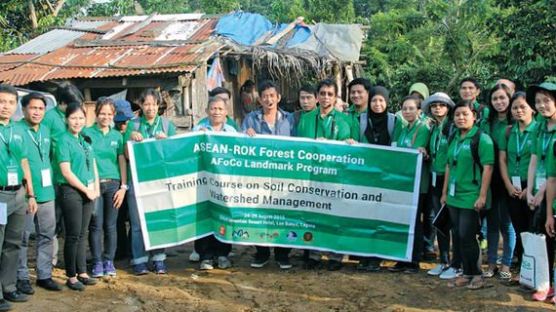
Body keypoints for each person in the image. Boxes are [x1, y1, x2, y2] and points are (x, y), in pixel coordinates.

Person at [297, 79, 352, 271]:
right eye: (322, 93)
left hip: (335, 178)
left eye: (330, 94)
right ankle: (314, 253)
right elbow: (299, 149)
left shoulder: (345, 120)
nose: (326, 97)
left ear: (335, 96)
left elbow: (348, 154)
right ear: (317, 96)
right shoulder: (306, 119)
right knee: (314, 214)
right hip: (312, 177)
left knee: (335, 216)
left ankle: (336, 255)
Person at [441, 100, 494, 289]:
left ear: (474, 116)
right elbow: (449, 165)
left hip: (472, 195)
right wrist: (444, 192)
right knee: (459, 235)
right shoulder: (454, 137)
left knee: (467, 235)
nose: (461, 118)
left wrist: (482, 196)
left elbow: (488, 168)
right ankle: (466, 272)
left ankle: (477, 274)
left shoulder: (482, 139)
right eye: (457, 115)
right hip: (454, 196)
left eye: (465, 114)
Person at [242, 80, 294, 270]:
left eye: (272, 96)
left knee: (283, 214)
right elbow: (240, 146)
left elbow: (299, 147)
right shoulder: (250, 120)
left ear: (278, 97)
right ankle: (262, 253)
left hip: (284, 177)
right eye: (265, 96)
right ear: (260, 99)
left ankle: (282, 254)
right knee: (260, 213)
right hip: (259, 177)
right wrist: (245, 136)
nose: (269, 99)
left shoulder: (289, 119)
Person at [125, 88, 177, 275]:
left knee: (158, 220)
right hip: (137, 182)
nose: (149, 108)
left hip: (160, 183)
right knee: (138, 224)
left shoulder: (166, 126)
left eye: (153, 104)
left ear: (158, 105)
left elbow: (175, 155)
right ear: (140, 105)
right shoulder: (133, 125)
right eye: (146, 104)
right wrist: (131, 139)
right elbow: (125, 155)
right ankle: (139, 260)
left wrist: (166, 143)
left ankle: (159, 258)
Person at [16, 93, 62, 296]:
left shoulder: (45, 130)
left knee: (47, 235)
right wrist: (30, 193)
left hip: (47, 193)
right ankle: (21, 277)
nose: (37, 112)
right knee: (22, 238)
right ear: (24, 109)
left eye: (41, 108)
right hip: (25, 195)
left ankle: (44, 275)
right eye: (33, 108)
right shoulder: (16, 130)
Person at [0, 84, 38, 310]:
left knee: (13, 243)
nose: (5, 106)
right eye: (2, 101)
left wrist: (30, 193)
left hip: (18, 194)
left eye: (10, 103)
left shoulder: (18, 130)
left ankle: (9, 287)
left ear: (16, 107)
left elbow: (24, 162)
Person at [354, 85, 398, 272]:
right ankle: (363, 255)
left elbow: (398, 146)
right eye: (374, 100)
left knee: (381, 216)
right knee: (364, 216)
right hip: (365, 178)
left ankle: (377, 256)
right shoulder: (361, 120)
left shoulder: (394, 121)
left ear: (387, 102)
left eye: (381, 100)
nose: (377, 104)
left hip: (385, 178)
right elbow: (355, 141)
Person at [56, 102, 100, 291]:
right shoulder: (63, 140)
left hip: (88, 192)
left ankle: (82, 272)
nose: (77, 121)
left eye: (81, 118)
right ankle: (71, 275)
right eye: (73, 118)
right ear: (67, 120)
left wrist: (96, 187)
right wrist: (86, 189)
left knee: (83, 234)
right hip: (71, 192)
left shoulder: (84, 140)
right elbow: (66, 172)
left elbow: (94, 165)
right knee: (73, 235)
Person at [84, 98, 127, 278]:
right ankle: (96, 262)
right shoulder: (86, 133)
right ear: (96, 113)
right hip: (94, 185)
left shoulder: (117, 135)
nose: (105, 117)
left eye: (109, 114)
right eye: (102, 113)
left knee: (111, 225)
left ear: (114, 115)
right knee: (95, 225)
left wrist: (123, 187)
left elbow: (121, 160)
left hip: (113, 185)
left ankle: (108, 260)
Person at [389, 95, 431, 274]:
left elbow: (417, 153)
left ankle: (414, 260)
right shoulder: (404, 128)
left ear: (419, 111)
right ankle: (403, 258)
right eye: (404, 109)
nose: (407, 111)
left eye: (411, 108)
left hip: (417, 184)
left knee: (415, 221)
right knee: (404, 220)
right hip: (404, 183)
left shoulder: (422, 128)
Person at [499, 91, 538, 282]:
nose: (519, 110)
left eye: (523, 106)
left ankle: (540, 274)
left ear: (532, 109)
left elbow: (540, 163)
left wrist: (528, 189)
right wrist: (507, 185)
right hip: (512, 187)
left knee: (534, 231)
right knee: (520, 229)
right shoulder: (508, 131)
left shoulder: (539, 130)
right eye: (515, 107)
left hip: (534, 188)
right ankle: (525, 272)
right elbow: (502, 159)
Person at [192, 97, 234, 270]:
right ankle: (205, 256)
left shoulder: (231, 132)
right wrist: (196, 137)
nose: (216, 112)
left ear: (226, 112)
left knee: (223, 216)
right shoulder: (199, 129)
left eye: (220, 109)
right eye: (213, 108)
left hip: (224, 184)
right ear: (207, 111)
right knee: (204, 217)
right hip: (203, 183)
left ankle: (223, 254)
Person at [420, 92, 456, 278]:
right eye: (434, 105)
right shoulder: (433, 127)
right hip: (434, 177)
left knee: (454, 223)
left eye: (441, 105)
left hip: (449, 180)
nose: (437, 108)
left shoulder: (452, 128)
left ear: (448, 107)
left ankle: (457, 264)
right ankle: (444, 261)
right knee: (440, 223)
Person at [526, 81, 556, 301]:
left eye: (547, 100)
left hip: (550, 190)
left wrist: (541, 192)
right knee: (544, 239)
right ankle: (544, 284)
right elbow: (534, 160)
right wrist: (530, 190)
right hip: (541, 192)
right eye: (538, 101)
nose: (542, 105)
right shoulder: (539, 127)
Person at [483, 83, 516, 280]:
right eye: (495, 99)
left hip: (509, 178)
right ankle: (492, 263)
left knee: (507, 224)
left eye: (502, 98)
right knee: (492, 223)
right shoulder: (488, 122)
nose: (499, 102)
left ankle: (507, 263)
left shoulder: (515, 123)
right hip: (489, 177)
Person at [113, 99, 134, 261]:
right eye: (119, 121)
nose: (123, 124)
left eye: (126, 121)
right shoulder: (111, 132)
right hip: (115, 181)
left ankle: (133, 248)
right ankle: (121, 249)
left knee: (134, 218)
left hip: (133, 181)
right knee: (118, 218)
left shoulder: (135, 130)